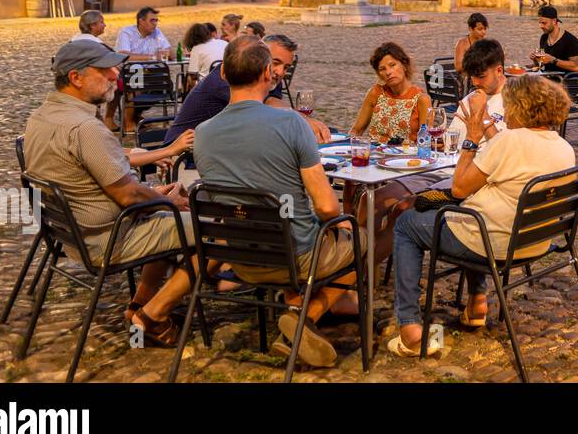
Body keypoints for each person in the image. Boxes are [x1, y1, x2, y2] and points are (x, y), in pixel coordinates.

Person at [193, 37, 359, 368]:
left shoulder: (203, 132)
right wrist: (338, 221)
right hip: (295, 257)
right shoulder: (291, 122)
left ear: (223, 73)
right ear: (269, 73)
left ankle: (301, 313)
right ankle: (303, 317)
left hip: (240, 257)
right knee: (362, 240)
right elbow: (327, 208)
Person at [22, 39, 200, 345]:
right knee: (210, 229)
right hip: (106, 239)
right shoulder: (84, 128)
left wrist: (154, 194)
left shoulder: (41, 115)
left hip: (73, 233)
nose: (116, 75)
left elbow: (100, 182)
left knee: (163, 213)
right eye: (104, 70)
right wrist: (165, 199)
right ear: (76, 78)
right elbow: (128, 197)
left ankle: (138, 306)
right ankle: (152, 316)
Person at [389, 74, 576, 358]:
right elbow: (512, 160)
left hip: (495, 243)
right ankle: (477, 302)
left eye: (509, 105)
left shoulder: (510, 141)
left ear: (520, 107)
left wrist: (472, 139)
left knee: (406, 224)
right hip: (535, 240)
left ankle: (410, 329)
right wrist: (489, 133)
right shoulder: (562, 146)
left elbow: (460, 187)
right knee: (476, 210)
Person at [165, 34, 331, 144]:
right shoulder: (235, 73)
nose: (280, 72)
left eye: (286, 67)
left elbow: (272, 109)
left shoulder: (268, 75)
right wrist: (303, 120)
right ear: (261, 55)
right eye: (276, 62)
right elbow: (266, 105)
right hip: (183, 153)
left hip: (222, 145)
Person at [351, 42, 430, 143]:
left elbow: (425, 142)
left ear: (404, 65)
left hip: (405, 156)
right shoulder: (375, 93)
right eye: (382, 69)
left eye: (392, 65)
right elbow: (357, 130)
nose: (388, 72)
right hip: (373, 155)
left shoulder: (421, 100)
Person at [449, 39, 508, 151]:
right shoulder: (470, 99)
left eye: (481, 77)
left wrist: (482, 114)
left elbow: (503, 152)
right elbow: (451, 139)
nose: (475, 82)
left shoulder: (517, 101)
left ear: (499, 71)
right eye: (472, 76)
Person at [530, 5, 578, 73]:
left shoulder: (570, 40)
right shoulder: (544, 38)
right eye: (539, 23)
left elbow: (576, 67)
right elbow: (541, 64)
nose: (541, 26)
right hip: (547, 77)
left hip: (563, 80)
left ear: (554, 21)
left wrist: (553, 60)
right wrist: (536, 60)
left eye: (544, 23)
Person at [184, 22, 226, 86]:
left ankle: (195, 95)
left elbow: (193, 75)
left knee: (189, 78)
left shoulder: (196, 48)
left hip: (207, 84)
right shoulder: (224, 43)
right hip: (226, 81)